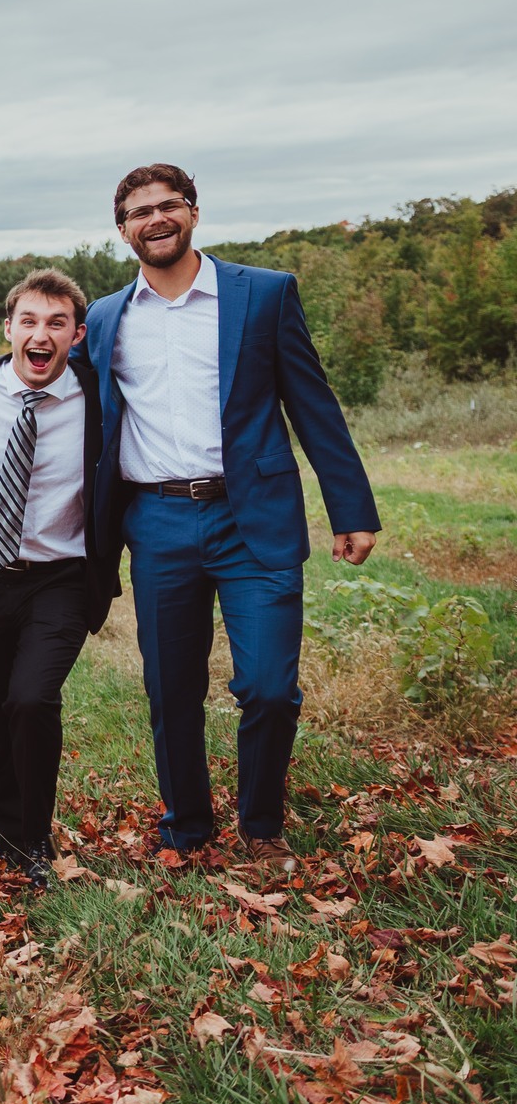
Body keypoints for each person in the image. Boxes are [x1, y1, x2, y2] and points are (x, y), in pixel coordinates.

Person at [85, 164, 379, 866]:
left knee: (271, 687)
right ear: (122, 229)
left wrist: (351, 508)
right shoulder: (105, 318)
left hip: (256, 517)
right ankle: (186, 825)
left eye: (168, 205)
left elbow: (313, 401)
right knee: (170, 689)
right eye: (138, 212)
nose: (154, 220)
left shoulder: (264, 294)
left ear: (192, 212)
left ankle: (261, 824)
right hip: (156, 522)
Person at [0, 271, 114, 890]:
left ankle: (35, 839)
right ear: (9, 328)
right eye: (30, 322)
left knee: (32, 699)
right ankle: (7, 835)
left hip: (60, 579)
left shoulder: (100, 397)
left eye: (57, 323)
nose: (42, 335)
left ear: (77, 334)